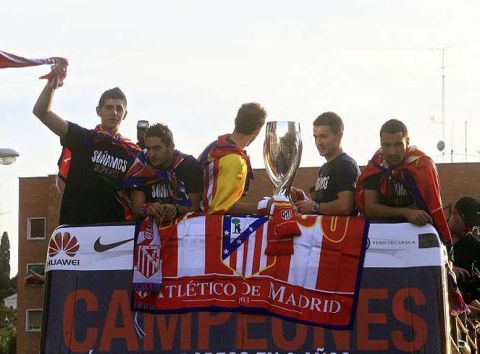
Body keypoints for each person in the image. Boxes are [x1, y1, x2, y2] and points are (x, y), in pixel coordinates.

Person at [33, 62, 141, 225]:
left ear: (125, 115)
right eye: (109, 107)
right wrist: (52, 83)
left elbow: (138, 202)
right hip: (76, 230)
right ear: (99, 111)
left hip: (116, 232)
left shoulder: (134, 153)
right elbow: (42, 112)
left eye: (119, 109)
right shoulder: (83, 138)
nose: (114, 113)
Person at [355, 119, 451, 246]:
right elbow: (370, 208)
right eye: (387, 145)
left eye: (398, 145)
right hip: (380, 237)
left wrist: (388, 211)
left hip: (417, 236)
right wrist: (406, 212)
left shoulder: (422, 166)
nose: (392, 151)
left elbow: (428, 207)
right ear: (381, 144)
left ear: (408, 142)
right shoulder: (376, 165)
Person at [198, 102, 269, 215]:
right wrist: (265, 206)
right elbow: (219, 209)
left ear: (236, 121)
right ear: (257, 130)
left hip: (189, 223)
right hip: (206, 228)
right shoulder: (236, 160)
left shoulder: (212, 147)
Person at [124, 123, 203, 223]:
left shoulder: (188, 165)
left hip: (184, 229)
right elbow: (135, 211)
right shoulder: (141, 165)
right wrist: (147, 209)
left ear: (171, 147)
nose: (151, 154)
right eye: (148, 148)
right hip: (151, 231)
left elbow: (195, 206)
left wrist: (176, 209)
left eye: (156, 148)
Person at [293, 112, 359, 215]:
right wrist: (304, 201)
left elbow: (345, 206)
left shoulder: (345, 165)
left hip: (340, 229)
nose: (318, 142)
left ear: (339, 135)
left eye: (323, 136)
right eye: (316, 137)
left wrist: (314, 207)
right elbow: (322, 204)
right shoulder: (324, 168)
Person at [449, 197, 480, 302]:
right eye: (467, 224)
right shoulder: (434, 236)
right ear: (455, 213)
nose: (470, 229)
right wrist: (448, 269)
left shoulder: (475, 247)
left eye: (473, 226)